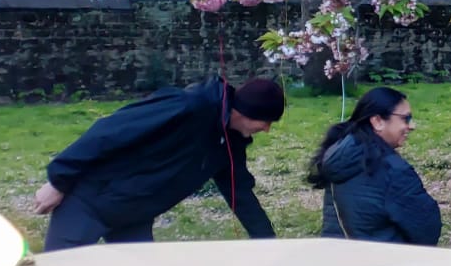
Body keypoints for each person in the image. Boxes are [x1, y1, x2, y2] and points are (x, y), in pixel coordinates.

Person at [34, 76, 284, 250]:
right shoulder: (189, 106)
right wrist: (58, 181)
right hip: (89, 202)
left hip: (135, 216)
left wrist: (267, 243)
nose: (267, 130)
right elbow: (109, 131)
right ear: (245, 112)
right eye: (266, 122)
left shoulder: (231, 142)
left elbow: (239, 192)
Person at [310, 87, 442, 245]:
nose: (411, 126)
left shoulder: (338, 155)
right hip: (385, 262)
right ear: (378, 121)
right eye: (405, 118)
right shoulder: (392, 170)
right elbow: (426, 230)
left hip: (339, 259)